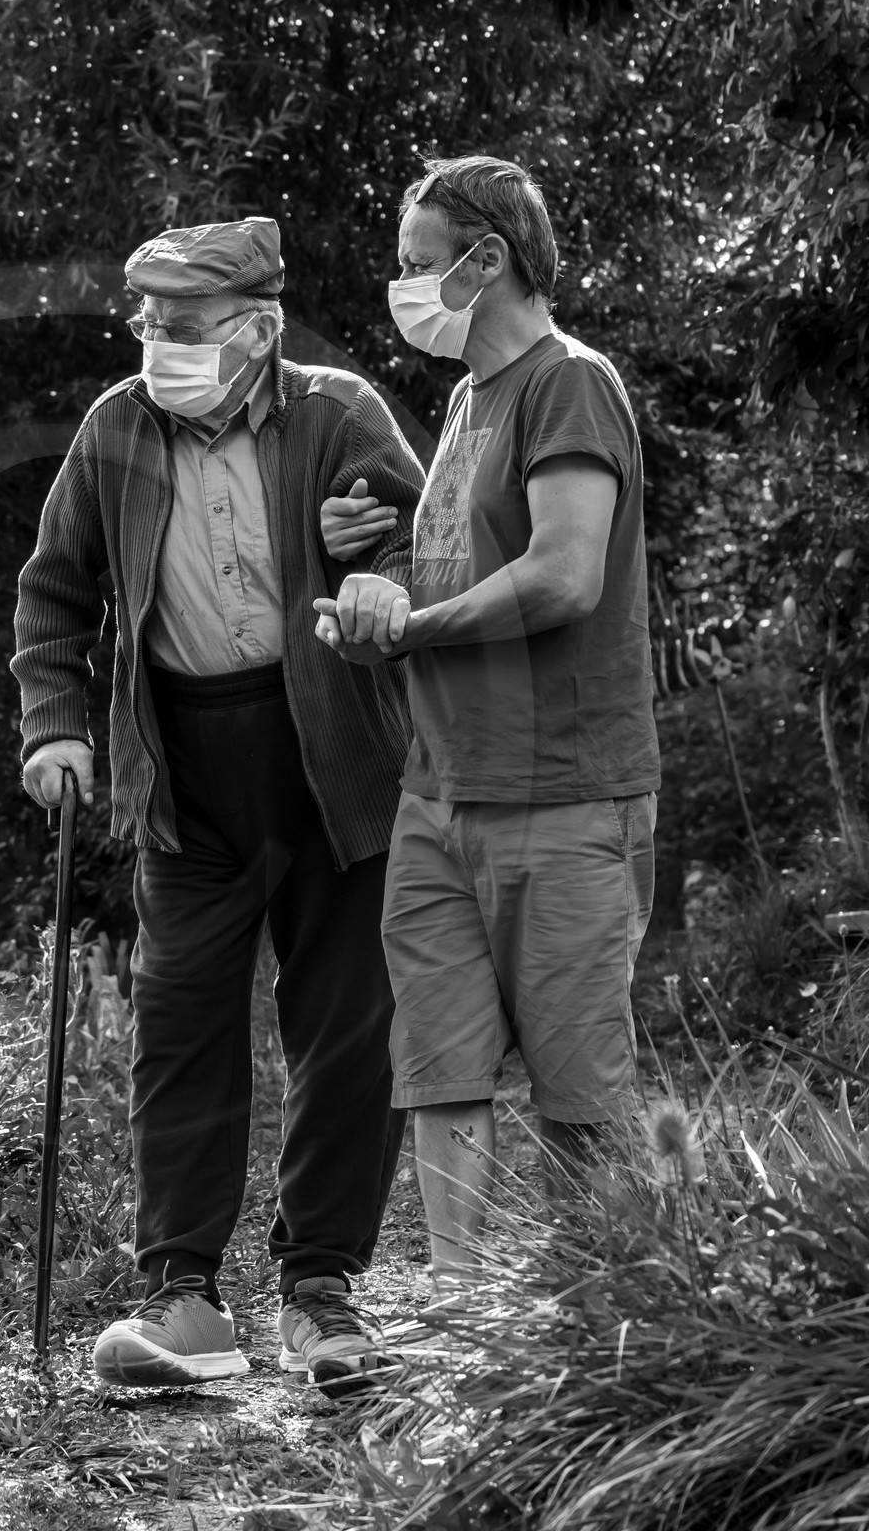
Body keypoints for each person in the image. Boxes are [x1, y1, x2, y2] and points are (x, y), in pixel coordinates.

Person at [13, 216, 425, 1389]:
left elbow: (426, 559)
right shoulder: (113, 431)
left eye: (182, 326)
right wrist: (57, 727)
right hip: (184, 774)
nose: (156, 344)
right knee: (180, 1026)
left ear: (255, 330)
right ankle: (184, 1298)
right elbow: (52, 595)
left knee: (349, 1031)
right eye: (146, 323)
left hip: (334, 759)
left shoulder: (337, 412)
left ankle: (321, 1290)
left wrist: (371, 557)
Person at [314, 156, 659, 1299]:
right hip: (441, 792)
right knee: (440, 1073)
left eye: (418, 264)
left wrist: (411, 627)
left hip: (564, 793)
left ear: (487, 259)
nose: (404, 288)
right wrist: (373, 557)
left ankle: (595, 1328)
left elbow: (562, 575)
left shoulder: (571, 384)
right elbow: (463, 560)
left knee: (578, 1097)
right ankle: (461, 1326)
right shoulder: (469, 400)